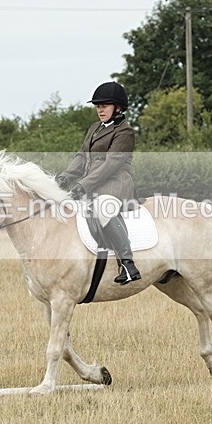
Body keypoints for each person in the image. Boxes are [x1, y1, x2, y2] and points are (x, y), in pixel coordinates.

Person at [55, 81, 141, 285]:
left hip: (115, 182)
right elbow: (82, 156)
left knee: (103, 209)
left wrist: (83, 185)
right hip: (93, 183)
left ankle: (128, 264)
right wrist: (65, 177)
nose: (100, 109)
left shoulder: (124, 132)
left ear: (118, 107)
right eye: (98, 106)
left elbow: (111, 164)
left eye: (105, 105)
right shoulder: (94, 128)